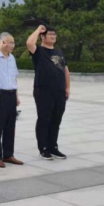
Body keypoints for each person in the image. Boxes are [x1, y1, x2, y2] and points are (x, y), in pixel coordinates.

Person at [27, 25, 71, 161]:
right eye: (50, 34)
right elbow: (29, 43)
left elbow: (65, 70)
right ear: (42, 36)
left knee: (56, 120)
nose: (53, 36)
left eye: (54, 34)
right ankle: (44, 148)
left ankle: (53, 147)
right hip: (43, 91)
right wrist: (38, 30)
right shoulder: (39, 51)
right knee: (44, 119)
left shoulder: (59, 51)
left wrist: (67, 88)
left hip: (59, 91)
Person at [0, 34, 24, 168]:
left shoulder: (12, 58)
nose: (12, 45)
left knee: (10, 125)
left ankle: (8, 154)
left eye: (13, 42)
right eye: (9, 42)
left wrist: (16, 96)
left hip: (11, 94)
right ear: (2, 42)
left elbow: (14, 78)